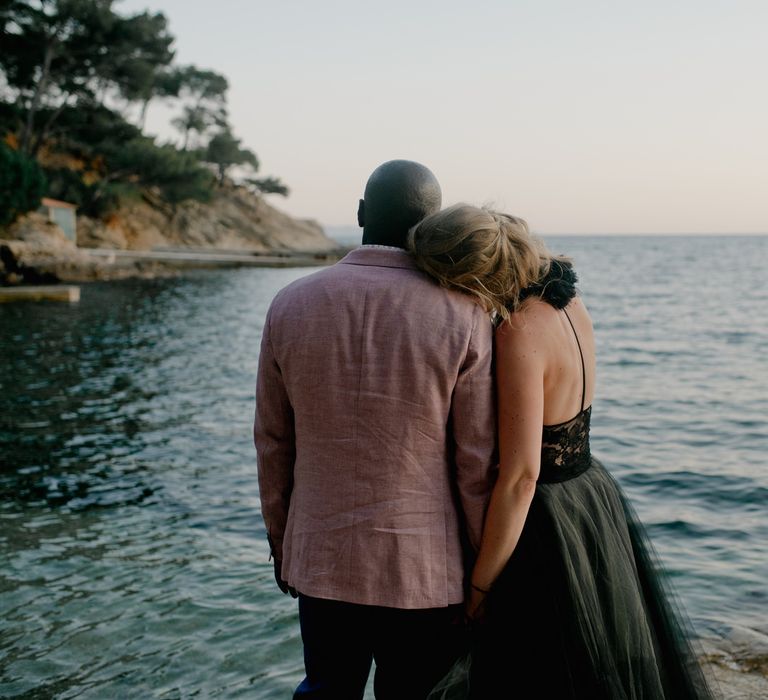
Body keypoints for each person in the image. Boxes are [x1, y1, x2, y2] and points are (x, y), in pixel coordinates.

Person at [409, 204, 715, 699]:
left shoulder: (518, 331)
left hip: (547, 521)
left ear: (468, 277)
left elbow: (522, 475)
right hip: (591, 496)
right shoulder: (569, 305)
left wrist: (480, 588)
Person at [254, 162, 497, 699]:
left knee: (326, 690)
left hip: (321, 558)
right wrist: (483, 568)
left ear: (361, 213)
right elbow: (474, 462)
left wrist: (282, 541)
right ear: (431, 223)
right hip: (425, 569)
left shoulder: (289, 304)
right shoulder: (464, 315)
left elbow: (273, 444)